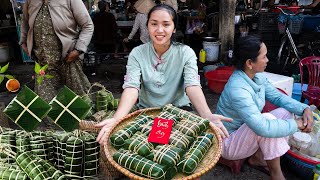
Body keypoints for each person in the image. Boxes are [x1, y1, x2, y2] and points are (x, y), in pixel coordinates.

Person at [96, 4, 232, 144]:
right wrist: (116, 119)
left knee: (177, 148)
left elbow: (192, 85)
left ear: (174, 28)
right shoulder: (137, 53)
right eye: (154, 24)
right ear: (147, 26)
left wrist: (207, 115)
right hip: (148, 112)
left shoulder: (185, 53)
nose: (159, 30)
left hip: (180, 112)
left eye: (166, 24)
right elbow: (131, 87)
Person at [216, 35, 314, 180]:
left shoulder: (257, 76)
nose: (268, 60)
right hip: (227, 142)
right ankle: (276, 174)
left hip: (246, 132)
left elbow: (278, 97)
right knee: (267, 121)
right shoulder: (238, 88)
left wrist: (304, 109)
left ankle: (258, 158)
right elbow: (262, 127)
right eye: (264, 56)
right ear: (250, 63)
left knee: (286, 111)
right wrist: (296, 124)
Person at [20, 0, 93, 103]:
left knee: (79, 101)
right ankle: (53, 119)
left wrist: (78, 50)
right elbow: (24, 21)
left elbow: (88, 25)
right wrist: (23, 42)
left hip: (68, 59)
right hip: (43, 62)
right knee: (46, 104)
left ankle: (84, 119)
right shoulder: (30, 1)